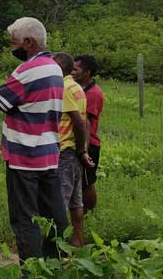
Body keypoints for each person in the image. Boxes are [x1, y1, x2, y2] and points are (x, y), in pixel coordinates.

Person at [0, 17, 68, 261]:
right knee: (56, 216)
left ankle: (31, 269)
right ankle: (53, 264)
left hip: (24, 156)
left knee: (25, 219)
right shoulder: (54, 67)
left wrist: (13, 106)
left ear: (28, 42)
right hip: (50, 154)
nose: (13, 49)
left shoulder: (27, 70)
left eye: (14, 44)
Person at [52, 52, 93, 247]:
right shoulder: (77, 87)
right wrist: (82, 150)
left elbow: (77, 120)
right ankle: (77, 242)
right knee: (76, 202)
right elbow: (83, 121)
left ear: (59, 68)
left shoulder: (64, 87)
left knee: (59, 204)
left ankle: (57, 247)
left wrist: (79, 149)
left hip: (65, 150)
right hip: (73, 152)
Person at [72, 54, 104, 213]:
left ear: (87, 72)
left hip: (88, 143)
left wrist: (83, 150)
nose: (71, 72)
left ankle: (88, 211)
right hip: (77, 141)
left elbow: (87, 123)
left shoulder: (94, 94)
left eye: (75, 69)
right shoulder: (78, 88)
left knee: (87, 182)